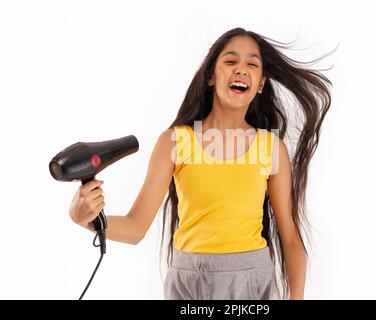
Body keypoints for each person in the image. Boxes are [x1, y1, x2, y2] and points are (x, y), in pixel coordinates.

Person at [69, 27, 333, 300]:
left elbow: (290, 239)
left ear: (261, 83)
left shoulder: (271, 148)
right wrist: (87, 220)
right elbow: (135, 228)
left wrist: (297, 297)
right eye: (230, 61)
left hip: (252, 283)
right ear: (210, 76)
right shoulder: (174, 142)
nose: (241, 70)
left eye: (252, 64)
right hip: (190, 284)